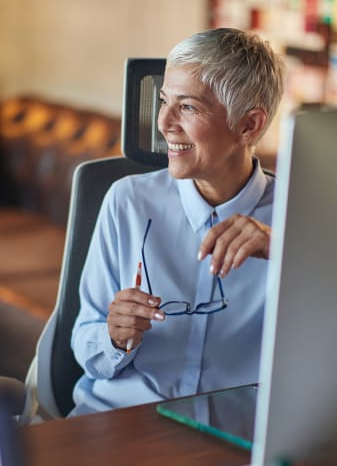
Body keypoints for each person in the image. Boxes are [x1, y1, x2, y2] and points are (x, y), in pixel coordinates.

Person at [69, 27, 285, 416]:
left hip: (231, 436)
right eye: (164, 100)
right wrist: (113, 338)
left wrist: (287, 247)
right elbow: (87, 351)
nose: (163, 122)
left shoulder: (295, 219)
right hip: (119, 420)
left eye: (187, 107)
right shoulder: (127, 201)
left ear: (248, 125)